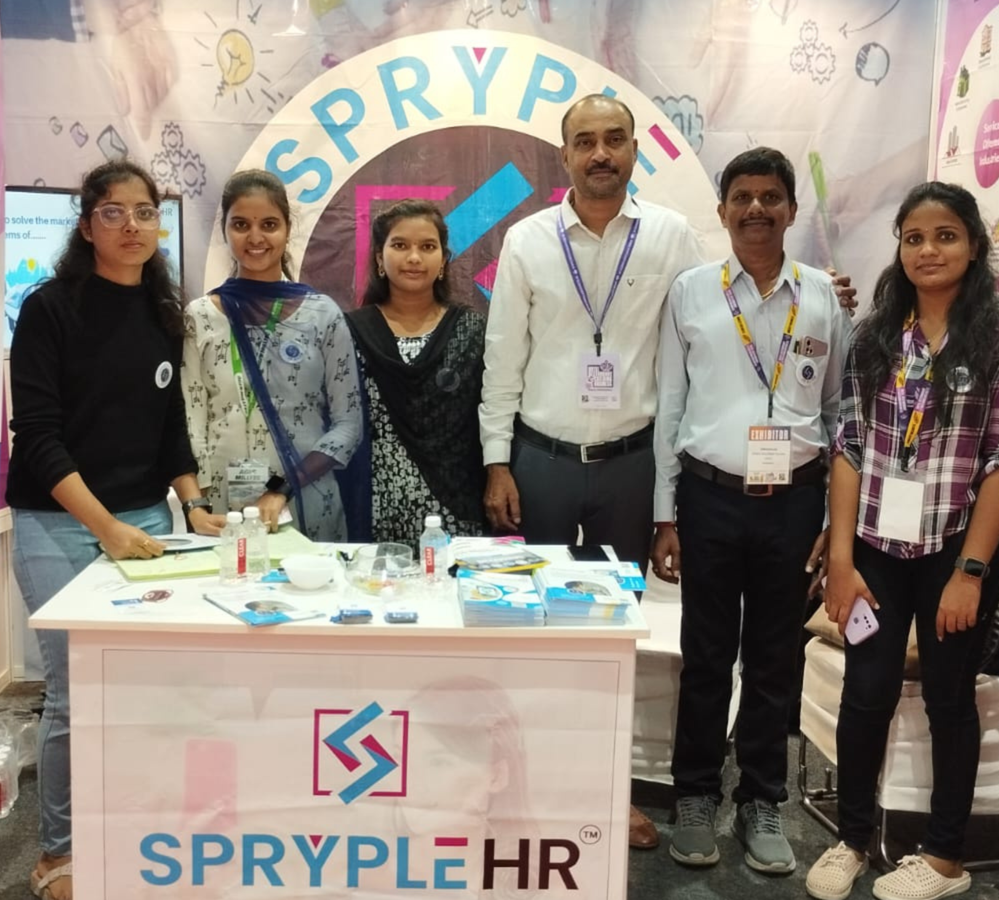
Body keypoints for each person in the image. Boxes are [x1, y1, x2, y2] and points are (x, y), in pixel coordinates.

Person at [478, 93, 704, 849]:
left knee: (613, 642)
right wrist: (497, 463)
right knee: (532, 633)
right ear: (565, 155)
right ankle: (528, 791)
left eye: (614, 139)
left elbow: (698, 349)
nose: (600, 153)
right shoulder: (527, 240)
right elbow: (503, 359)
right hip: (540, 463)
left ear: (635, 149)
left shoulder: (671, 236)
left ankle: (607, 791)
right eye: (585, 141)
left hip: (630, 469)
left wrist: (669, 501)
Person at [808, 182, 999, 900]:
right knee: (866, 692)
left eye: (945, 236)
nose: (928, 250)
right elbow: (849, 446)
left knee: (948, 698)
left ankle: (943, 858)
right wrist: (841, 561)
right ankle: (850, 838)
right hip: (876, 549)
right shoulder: (876, 333)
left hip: (954, 552)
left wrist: (971, 571)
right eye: (913, 238)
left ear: (973, 244)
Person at [6, 159, 222, 900]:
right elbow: (37, 436)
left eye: (145, 212)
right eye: (113, 212)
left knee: (142, 686)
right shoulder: (50, 309)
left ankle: (129, 824)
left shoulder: (162, 310)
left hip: (145, 521)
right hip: (59, 523)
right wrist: (105, 527)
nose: (132, 226)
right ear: (86, 224)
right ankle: (57, 852)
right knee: (75, 691)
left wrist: (193, 502)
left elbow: (169, 427)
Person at [651, 147, 852, 875]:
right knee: (705, 656)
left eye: (771, 197)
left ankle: (763, 800)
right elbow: (671, 405)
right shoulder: (691, 293)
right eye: (743, 197)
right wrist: (665, 514)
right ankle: (696, 795)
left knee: (774, 659)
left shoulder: (823, 296)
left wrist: (831, 520)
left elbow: (837, 412)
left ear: (792, 210)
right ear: (723, 210)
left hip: (793, 502)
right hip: (709, 497)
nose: (757, 209)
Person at [182, 169, 366, 541]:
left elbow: (349, 425)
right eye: (240, 224)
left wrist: (282, 487)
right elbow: (191, 421)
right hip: (222, 509)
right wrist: (197, 505)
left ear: (287, 229)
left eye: (268, 224)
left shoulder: (321, 315)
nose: (255, 238)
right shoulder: (200, 316)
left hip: (306, 499)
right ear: (224, 231)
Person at [344, 200, 487, 544]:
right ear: (379, 258)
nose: (413, 257)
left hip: (454, 506)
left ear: (444, 260)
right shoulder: (350, 330)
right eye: (399, 245)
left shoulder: (471, 330)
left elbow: (491, 414)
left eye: (427, 247)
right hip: (373, 507)